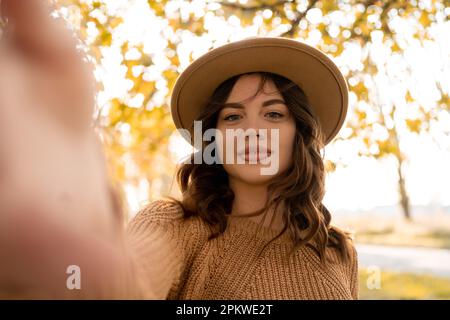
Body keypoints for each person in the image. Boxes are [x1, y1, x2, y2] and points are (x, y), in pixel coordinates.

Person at [0, 0, 358, 299]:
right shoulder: (176, 226)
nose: (253, 132)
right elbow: (128, 283)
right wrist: (82, 262)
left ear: (300, 133)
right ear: (212, 140)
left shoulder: (337, 249)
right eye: (233, 117)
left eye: (274, 114)